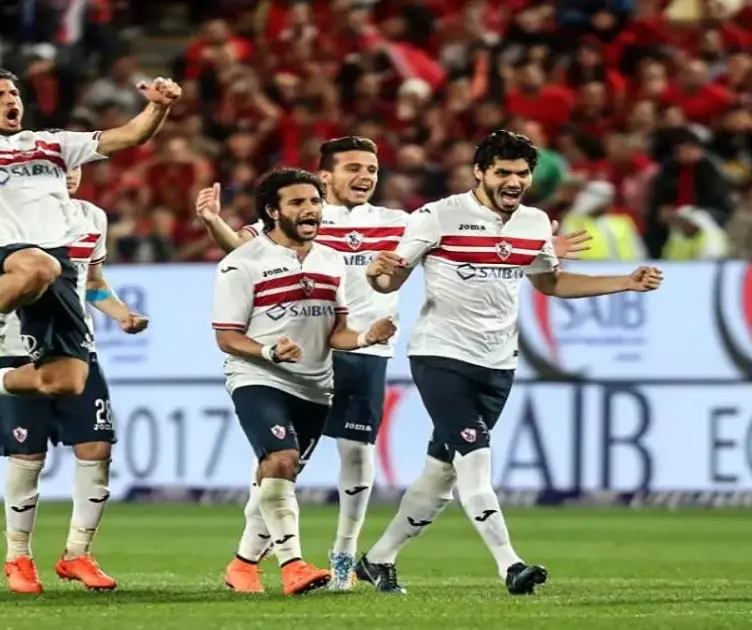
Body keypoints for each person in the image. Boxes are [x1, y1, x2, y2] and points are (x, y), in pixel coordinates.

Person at [195, 137, 591, 592]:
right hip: (309, 352)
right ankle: (251, 559)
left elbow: (465, 242)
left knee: (355, 456)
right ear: (326, 176)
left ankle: (342, 560)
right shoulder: (304, 216)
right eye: (353, 167)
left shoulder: (397, 222)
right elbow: (243, 251)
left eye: (372, 168)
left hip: (366, 350)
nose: (365, 176)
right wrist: (213, 221)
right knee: (282, 462)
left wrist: (531, 244)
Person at [358, 130, 663, 596]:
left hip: (498, 363)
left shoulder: (535, 223)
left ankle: (378, 559)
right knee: (476, 460)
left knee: (442, 473)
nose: (514, 181)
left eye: (522, 173)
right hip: (441, 356)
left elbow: (550, 285)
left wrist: (624, 281)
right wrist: (375, 276)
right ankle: (511, 566)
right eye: (503, 172)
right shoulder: (438, 216)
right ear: (479, 172)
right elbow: (391, 279)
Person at [0, 66, 177, 427]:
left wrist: (159, 107)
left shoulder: (53, 143)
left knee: (66, 380)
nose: (10, 99)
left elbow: (131, 135)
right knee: (40, 265)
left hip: (57, 270)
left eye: (13, 93)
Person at [0, 166, 148, 594]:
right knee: (28, 456)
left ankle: (77, 554)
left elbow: (93, 283)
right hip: (12, 349)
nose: (68, 175)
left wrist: (121, 314)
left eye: (72, 166)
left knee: (97, 447)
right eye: (57, 168)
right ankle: (18, 557)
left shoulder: (92, 217)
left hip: (76, 348)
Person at [210, 167, 396, 595]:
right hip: (259, 376)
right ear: (273, 211)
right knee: (281, 459)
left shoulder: (331, 260)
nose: (310, 209)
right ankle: (292, 565)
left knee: (280, 474)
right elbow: (227, 337)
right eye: (297, 202)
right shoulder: (241, 263)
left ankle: (242, 565)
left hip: (315, 386)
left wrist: (366, 337)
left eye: (314, 201)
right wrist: (269, 352)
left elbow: (337, 333)